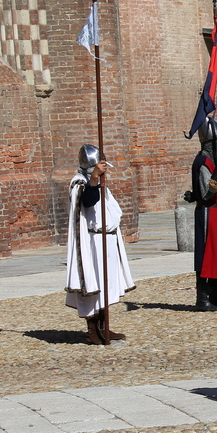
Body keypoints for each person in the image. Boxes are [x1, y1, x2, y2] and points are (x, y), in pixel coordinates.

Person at [66, 144, 135, 344]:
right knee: (93, 282)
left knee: (107, 282)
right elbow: (87, 201)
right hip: (92, 241)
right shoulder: (79, 182)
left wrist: (97, 178)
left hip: (108, 238)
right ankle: (92, 330)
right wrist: (94, 178)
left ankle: (103, 326)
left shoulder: (97, 181)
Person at [189, 118, 217, 311]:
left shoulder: (211, 160)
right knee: (206, 254)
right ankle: (203, 298)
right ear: (211, 141)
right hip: (208, 212)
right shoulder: (203, 161)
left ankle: (216, 296)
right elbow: (208, 191)